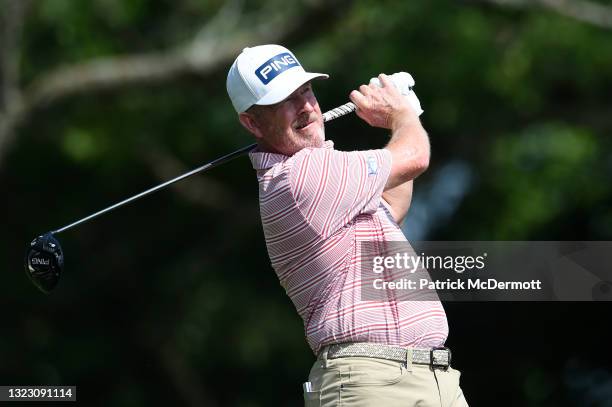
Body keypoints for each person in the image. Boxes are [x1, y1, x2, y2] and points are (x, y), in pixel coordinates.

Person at [227, 44, 468, 407]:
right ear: (251, 122)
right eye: (285, 101)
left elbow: (392, 205)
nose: (306, 107)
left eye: (305, 91)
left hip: (435, 379)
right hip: (368, 383)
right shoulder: (297, 177)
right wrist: (402, 116)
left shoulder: (328, 176)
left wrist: (404, 113)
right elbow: (414, 156)